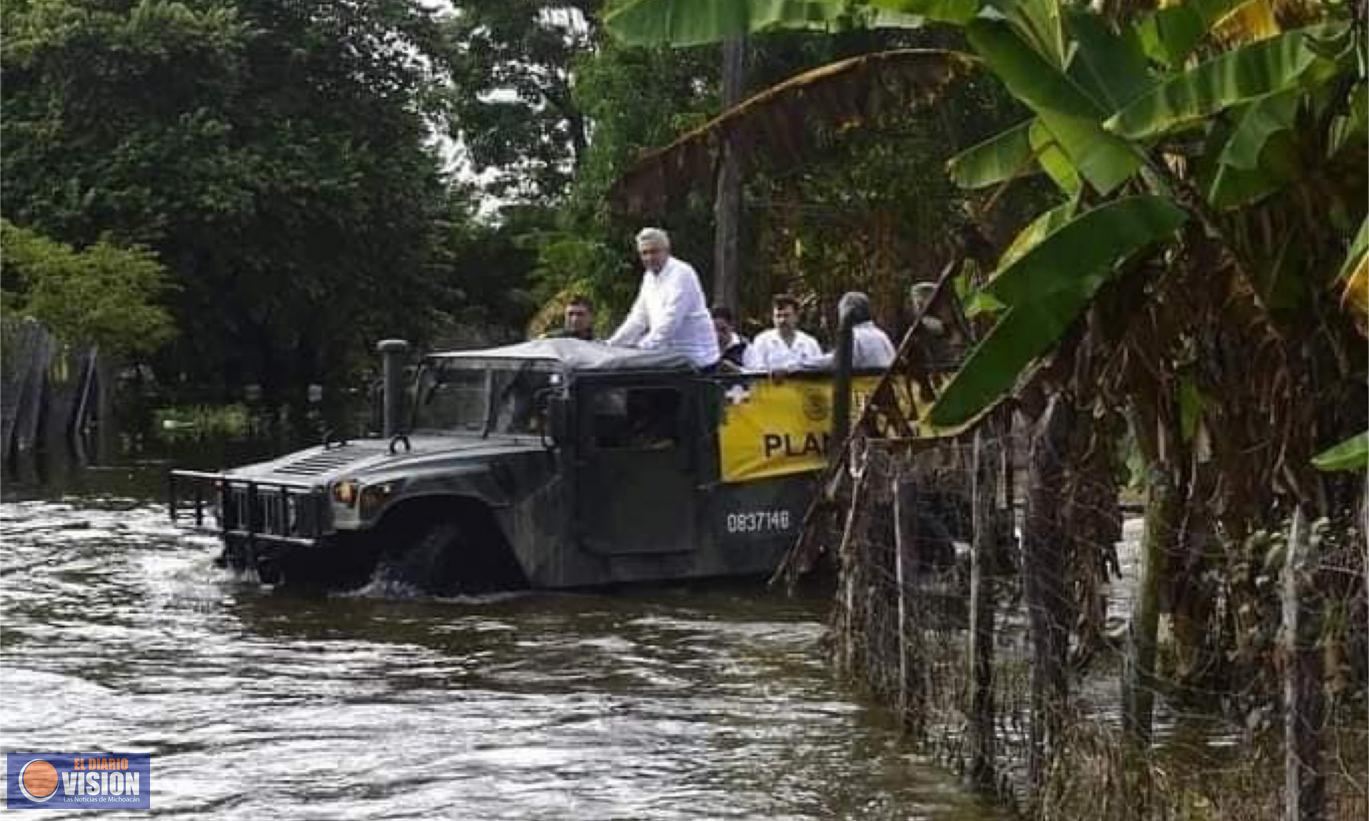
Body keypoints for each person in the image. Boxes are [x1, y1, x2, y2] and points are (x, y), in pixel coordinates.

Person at [607, 228, 720, 368]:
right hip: (669, 356)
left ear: (666, 250)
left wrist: (641, 350)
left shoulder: (682, 274)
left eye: (654, 251)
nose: (649, 258)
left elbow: (670, 321)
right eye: (644, 253)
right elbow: (638, 318)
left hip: (696, 359)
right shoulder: (648, 277)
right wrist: (612, 344)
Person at [805, 291, 897, 370]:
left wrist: (799, 365)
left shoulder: (853, 336)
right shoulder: (881, 335)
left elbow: (835, 362)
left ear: (848, 313)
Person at [743, 294, 822, 372]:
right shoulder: (762, 341)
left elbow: (820, 371)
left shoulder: (810, 343)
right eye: (778, 316)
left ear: (796, 317)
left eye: (786, 315)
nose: (782, 320)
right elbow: (755, 371)